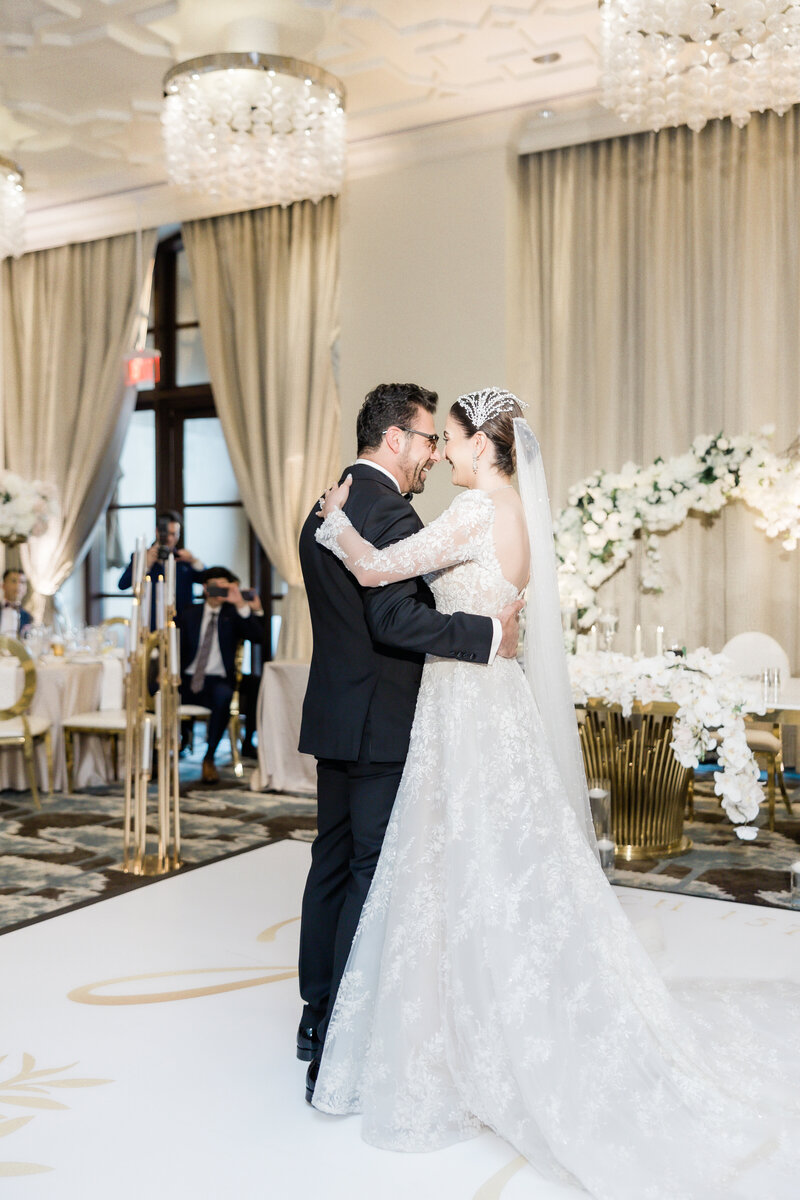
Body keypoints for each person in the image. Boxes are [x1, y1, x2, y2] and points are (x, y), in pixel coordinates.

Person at [309, 388, 800, 1199]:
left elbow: (373, 569)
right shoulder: (521, 516)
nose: (444, 452)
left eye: (453, 439)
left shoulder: (472, 512)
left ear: (482, 446)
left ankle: (463, 1038)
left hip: (464, 707)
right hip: (491, 701)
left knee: (454, 866)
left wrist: (333, 519)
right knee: (500, 865)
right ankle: (495, 1016)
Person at [296, 382, 523, 1087]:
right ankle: (341, 1033)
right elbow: (390, 621)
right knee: (371, 871)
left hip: (334, 714)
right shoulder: (389, 514)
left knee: (331, 863)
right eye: (429, 439)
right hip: (384, 722)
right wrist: (486, 633)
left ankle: (316, 1010)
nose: (433, 453)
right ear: (396, 439)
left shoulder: (324, 506)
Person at [178, 567, 264, 784]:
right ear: (206, 588)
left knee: (224, 695)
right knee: (152, 689)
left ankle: (209, 757)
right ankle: (159, 754)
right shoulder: (190, 613)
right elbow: (175, 645)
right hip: (186, 679)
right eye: (215, 586)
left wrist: (241, 604)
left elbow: (258, 637)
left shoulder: (232, 614)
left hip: (217, 680)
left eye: (224, 587)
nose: (220, 592)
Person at [118, 509, 204, 626]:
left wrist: (194, 560)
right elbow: (123, 585)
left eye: (174, 534)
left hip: (181, 625)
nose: (170, 539)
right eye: (166, 533)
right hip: (151, 624)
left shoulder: (183, 559)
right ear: (157, 531)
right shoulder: (142, 557)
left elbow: (205, 579)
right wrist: (145, 565)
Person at [0, 569, 32, 636]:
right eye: (14, 581)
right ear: (3, 585)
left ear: (26, 589)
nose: (18, 586)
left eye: (22, 582)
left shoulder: (28, 617)